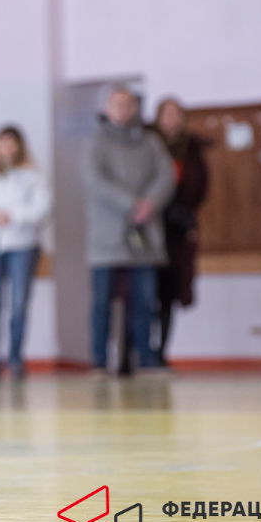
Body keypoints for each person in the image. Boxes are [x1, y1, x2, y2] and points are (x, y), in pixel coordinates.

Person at [80, 85, 174, 374]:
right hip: (106, 238)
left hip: (145, 236)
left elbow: (166, 175)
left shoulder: (151, 142)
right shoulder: (95, 142)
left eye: (128, 104)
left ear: (135, 108)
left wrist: (150, 203)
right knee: (102, 303)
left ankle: (146, 359)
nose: (123, 110)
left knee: (144, 302)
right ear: (106, 109)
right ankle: (99, 362)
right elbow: (94, 180)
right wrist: (131, 203)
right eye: (117, 104)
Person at [0, 126, 51, 380]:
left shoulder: (33, 174)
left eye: (12, 142)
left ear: (19, 145)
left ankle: (16, 358)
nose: (7, 147)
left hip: (23, 245)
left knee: (18, 304)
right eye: (3, 142)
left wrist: (13, 216)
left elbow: (42, 207)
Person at [150, 97, 208, 365]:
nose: (172, 119)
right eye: (167, 114)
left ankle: (161, 353)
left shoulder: (192, 150)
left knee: (168, 295)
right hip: (151, 227)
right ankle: (141, 351)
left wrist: (184, 211)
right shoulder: (148, 145)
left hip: (178, 231)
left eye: (176, 114)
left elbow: (202, 187)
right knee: (143, 292)